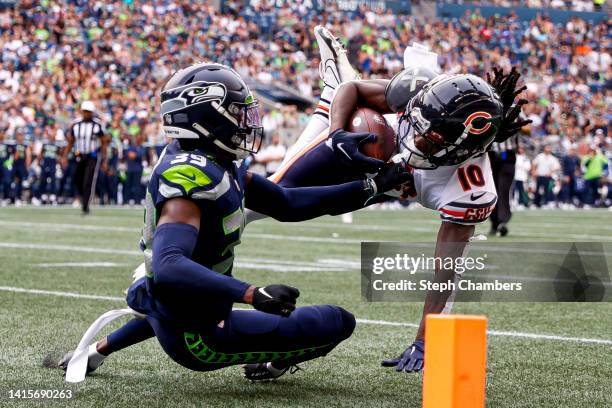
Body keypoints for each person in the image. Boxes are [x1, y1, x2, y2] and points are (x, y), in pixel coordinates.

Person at [56, 63, 410, 382]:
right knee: (337, 321)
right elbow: (169, 266)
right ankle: (269, 366)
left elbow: (287, 203)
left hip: (177, 308)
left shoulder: (212, 161)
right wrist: (252, 294)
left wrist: (373, 187)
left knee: (175, 300)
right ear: (205, 120)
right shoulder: (190, 176)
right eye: (237, 113)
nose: (248, 122)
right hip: (200, 335)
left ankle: (95, 353)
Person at [246, 27, 530, 374]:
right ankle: (329, 100)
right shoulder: (423, 93)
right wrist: (337, 134)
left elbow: (447, 274)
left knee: (288, 204)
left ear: (461, 151)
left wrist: (428, 338)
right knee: (275, 194)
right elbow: (355, 90)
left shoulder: (469, 187)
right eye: (418, 124)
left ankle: (326, 97)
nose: (416, 138)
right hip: (372, 142)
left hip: (387, 182)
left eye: (430, 139)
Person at [65, 101, 108, 214]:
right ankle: (81, 196)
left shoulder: (97, 125)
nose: (86, 114)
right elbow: (71, 141)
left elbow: (104, 142)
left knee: (88, 180)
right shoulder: (76, 124)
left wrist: (104, 158)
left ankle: (85, 205)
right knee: (77, 179)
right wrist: (64, 155)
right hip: (79, 154)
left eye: (88, 112)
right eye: (84, 112)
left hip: (92, 155)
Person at [488, 134, 519, 236]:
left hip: (507, 155)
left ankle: (502, 221)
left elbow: (527, 129)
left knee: (503, 190)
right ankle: (494, 222)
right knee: (492, 190)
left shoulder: (515, 117)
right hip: (491, 155)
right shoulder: (487, 118)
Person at [35, 129, 61, 205]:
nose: (52, 137)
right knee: (43, 179)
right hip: (45, 163)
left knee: (53, 180)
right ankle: (42, 196)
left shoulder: (57, 145)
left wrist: (59, 163)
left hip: (53, 163)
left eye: (54, 135)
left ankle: (53, 196)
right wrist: (38, 162)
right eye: (51, 135)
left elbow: (59, 155)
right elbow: (41, 153)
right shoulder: (45, 144)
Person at [9, 130, 31, 206]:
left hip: (22, 166)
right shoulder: (13, 145)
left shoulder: (25, 145)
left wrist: (27, 166)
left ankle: (19, 198)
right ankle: (11, 198)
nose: (20, 137)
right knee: (12, 182)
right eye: (19, 135)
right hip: (14, 166)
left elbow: (28, 156)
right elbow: (12, 157)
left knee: (22, 182)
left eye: (21, 135)